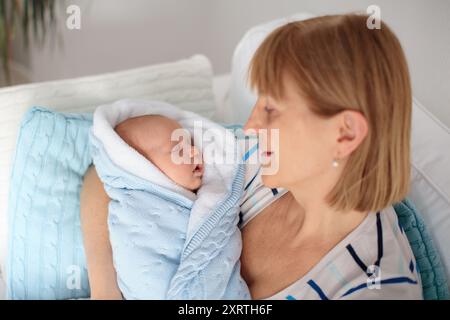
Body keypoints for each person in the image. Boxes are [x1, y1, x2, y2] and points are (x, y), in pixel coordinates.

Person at [80, 14, 423, 299]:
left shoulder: (371, 286)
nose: (251, 125)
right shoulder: (256, 164)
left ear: (345, 133)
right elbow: (114, 169)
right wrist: (105, 290)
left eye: (272, 109)